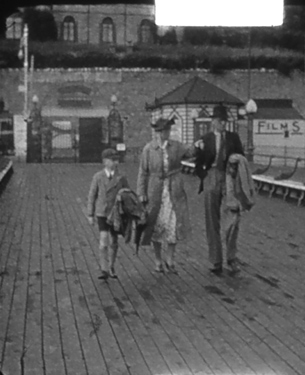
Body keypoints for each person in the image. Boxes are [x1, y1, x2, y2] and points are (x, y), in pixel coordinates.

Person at [136, 117, 197, 274]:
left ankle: (170, 259)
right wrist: (141, 193)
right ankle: (157, 260)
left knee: (173, 224)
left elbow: (190, 152)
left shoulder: (175, 146)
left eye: (169, 130)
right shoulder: (149, 149)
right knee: (157, 225)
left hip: (173, 190)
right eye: (164, 131)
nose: (167, 133)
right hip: (155, 192)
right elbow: (143, 173)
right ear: (158, 132)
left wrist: (199, 145)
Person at [194, 103, 244, 275]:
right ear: (213, 121)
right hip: (212, 176)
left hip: (229, 177)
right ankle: (215, 260)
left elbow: (241, 157)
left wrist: (235, 168)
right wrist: (204, 176)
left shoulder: (233, 138)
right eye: (220, 121)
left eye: (225, 121)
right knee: (211, 219)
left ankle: (231, 257)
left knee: (233, 216)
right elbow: (198, 163)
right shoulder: (205, 139)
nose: (223, 124)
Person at [87, 148, 130, 280]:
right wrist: (90, 214)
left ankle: (111, 266)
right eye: (112, 160)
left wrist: (127, 210)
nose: (115, 163)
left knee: (114, 240)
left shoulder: (121, 177)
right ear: (105, 161)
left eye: (116, 160)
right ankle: (104, 268)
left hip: (116, 214)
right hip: (102, 213)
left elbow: (127, 194)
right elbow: (92, 195)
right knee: (103, 240)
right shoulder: (98, 177)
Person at [224, 153, 255, 275]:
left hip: (232, 201)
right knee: (231, 228)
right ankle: (230, 256)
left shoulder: (233, 172)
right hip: (230, 200)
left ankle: (229, 255)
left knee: (232, 227)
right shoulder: (233, 173)